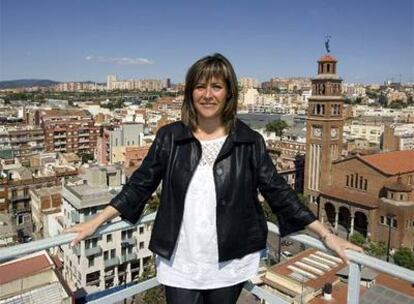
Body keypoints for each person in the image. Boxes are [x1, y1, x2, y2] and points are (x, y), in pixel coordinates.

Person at [65, 53, 362, 304]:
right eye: (200, 87)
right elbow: (140, 183)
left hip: (229, 262)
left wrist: (326, 235)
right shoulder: (170, 138)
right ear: (190, 93)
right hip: (180, 259)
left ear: (229, 93)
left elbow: (278, 191)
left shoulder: (249, 142)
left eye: (217, 87)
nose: (208, 94)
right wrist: (96, 221)